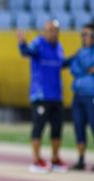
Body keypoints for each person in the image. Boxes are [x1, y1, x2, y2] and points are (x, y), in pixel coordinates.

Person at [18, 20, 68, 173]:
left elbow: (62, 64)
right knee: (38, 127)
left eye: (55, 30)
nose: (53, 33)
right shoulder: (38, 43)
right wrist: (22, 44)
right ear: (44, 31)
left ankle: (55, 158)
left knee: (57, 129)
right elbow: (26, 52)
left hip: (56, 96)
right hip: (40, 95)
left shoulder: (59, 47)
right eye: (50, 30)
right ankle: (36, 160)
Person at [69, 23, 94, 171]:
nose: (85, 37)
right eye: (83, 34)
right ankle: (81, 159)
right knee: (78, 127)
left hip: (91, 95)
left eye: (88, 34)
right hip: (78, 95)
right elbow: (74, 67)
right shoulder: (79, 53)